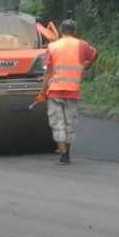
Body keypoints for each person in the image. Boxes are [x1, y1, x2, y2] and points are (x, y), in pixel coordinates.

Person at [43, 19, 98, 165]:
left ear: (61, 30)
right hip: (72, 91)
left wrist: (43, 91)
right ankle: (67, 152)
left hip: (54, 91)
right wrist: (85, 66)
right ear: (74, 31)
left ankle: (63, 154)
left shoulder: (52, 46)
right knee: (69, 123)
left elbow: (48, 72)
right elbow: (94, 54)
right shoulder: (82, 45)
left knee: (58, 123)